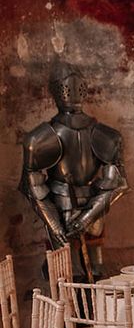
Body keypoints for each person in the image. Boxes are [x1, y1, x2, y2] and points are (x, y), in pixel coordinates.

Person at [19, 62, 128, 279]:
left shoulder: (39, 138)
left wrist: (58, 225)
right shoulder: (106, 135)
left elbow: (35, 189)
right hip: (90, 210)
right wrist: (85, 218)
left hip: (62, 210)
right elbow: (115, 184)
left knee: (73, 275)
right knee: (83, 272)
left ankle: (74, 312)